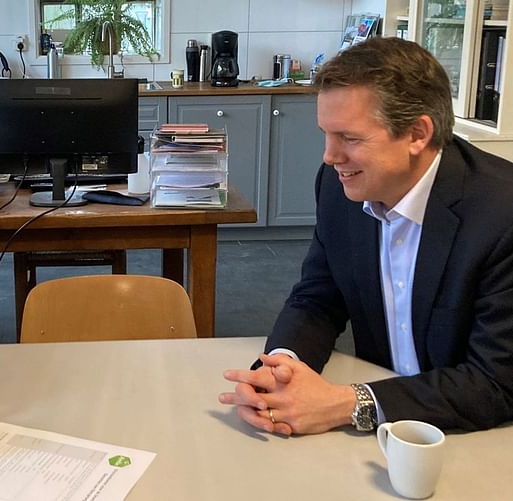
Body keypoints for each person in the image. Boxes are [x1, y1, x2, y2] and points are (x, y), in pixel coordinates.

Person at [219, 37, 513, 435]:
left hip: (484, 438)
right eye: (326, 133)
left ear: (416, 134)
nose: (329, 156)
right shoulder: (339, 188)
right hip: (387, 437)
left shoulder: (500, 214)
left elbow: (495, 383)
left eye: (350, 138)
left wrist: (348, 403)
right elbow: (319, 297)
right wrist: (282, 366)